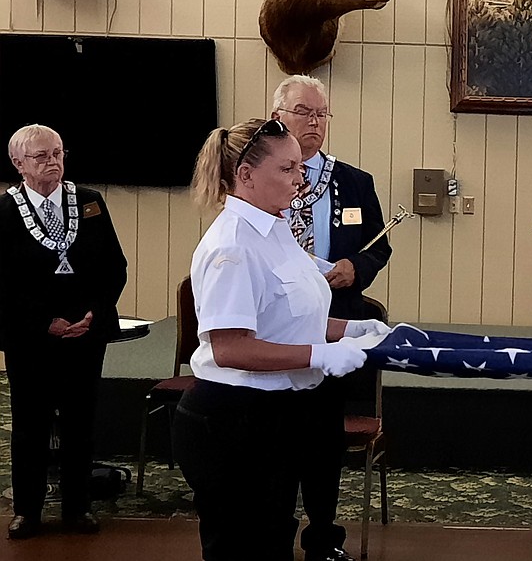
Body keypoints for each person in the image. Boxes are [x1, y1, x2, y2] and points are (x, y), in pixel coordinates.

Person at [174, 118, 388, 561]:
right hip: (234, 419)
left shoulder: (275, 231)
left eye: (300, 168)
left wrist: (352, 330)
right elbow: (230, 347)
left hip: (277, 415)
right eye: (288, 169)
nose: (301, 179)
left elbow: (291, 317)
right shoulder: (232, 245)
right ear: (246, 175)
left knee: (272, 538)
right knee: (244, 547)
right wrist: (322, 355)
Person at [271, 74, 392, 561]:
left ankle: (323, 536)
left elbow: (378, 246)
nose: (315, 121)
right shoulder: (262, 175)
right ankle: (273, 535)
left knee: (324, 443)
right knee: (276, 444)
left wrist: (355, 268)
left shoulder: (353, 182)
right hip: (274, 331)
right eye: (304, 111)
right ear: (278, 115)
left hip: (333, 324)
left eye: (322, 113)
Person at [0, 124, 127, 539]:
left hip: (85, 334)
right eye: (40, 156)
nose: (52, 161)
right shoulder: (4, 211)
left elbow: (114, 267)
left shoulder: (89, 202)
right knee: (30, 424)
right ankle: (28, 511)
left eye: (57, 153)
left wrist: (93, 313)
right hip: (31, 338)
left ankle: (78, 507)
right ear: (18, 164)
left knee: (81, 422)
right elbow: (3, 283)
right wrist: (44, 322)